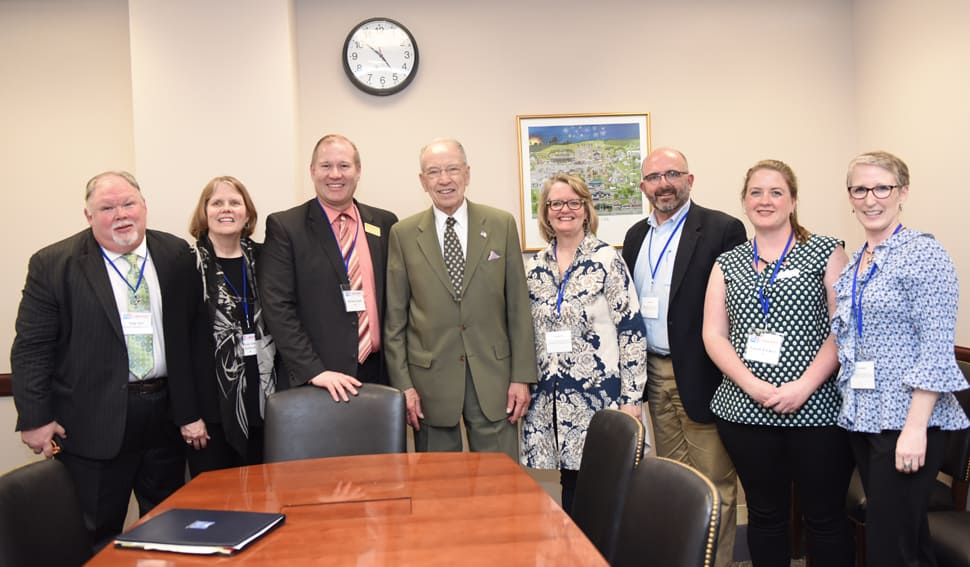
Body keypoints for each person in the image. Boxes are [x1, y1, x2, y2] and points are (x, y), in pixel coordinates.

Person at [11, 171, 206, 549]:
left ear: (144, 206)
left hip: (164, 416)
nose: (120, 214)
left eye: (128, 203)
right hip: (91, 423)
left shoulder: (175, 254)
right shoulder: (54, 264)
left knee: (169, 526)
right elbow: (32, 348)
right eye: (107, 208)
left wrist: (190, 410)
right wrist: (35, 417)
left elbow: (191, 339)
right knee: (93, 532)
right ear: (88, 216)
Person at [702, 159, 854, 566]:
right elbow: (714, 335)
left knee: (824, 517)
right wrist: (753, 386)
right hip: (745, 410)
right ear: (744, 201)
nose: (764, 200)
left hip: (819, 411)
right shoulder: (727, 263)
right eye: (756, 192)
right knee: (766, 517)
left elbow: (842, 330)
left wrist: (803, 386)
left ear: (793, 201)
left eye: (775, 192)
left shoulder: (827, 251)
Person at [832, 151, 969, 567]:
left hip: (907, 420)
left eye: (882, 188)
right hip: (866, 414)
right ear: (850, 196)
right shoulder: (860, 259)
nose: (871, 199)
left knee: (890, 549)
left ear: (903, 192)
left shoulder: (923, 255)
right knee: (902, 538)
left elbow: (936, 348)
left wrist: (914, 430)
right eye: (860, 189)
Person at [621, 147, 746, 567]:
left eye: (672, 173)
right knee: (674, 481)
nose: (663, 184)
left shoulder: (722, 229)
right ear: (643, 187)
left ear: (690, 180)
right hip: (653, 374)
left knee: (715, 483)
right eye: (654, 177)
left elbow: (736, 309)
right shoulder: (637, 235)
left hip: (702, 374)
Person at [384, 138, 537, 460]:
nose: (444, 179)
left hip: (495, 381)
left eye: (452, 169)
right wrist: (404, 387)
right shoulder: (404, 233)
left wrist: (521, 377)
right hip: (429, 386)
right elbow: (395, 320)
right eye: (434, 172)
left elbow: (518, 309)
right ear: (422, 181)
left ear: (467, 173)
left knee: (502, 486)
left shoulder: (501, 224)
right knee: (439, 492)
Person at [521, 173, 646, 514]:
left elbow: (631, 330)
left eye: (573, 202)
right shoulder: (535, 268)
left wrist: (632, 399)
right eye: (556, 203)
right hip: (552, 401)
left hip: (598, 397)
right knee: (569, 486)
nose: (565, 210)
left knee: (601, 490)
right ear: (545, 212)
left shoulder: (607, 260)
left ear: (586, 209)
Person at [260, 134, 398, 399]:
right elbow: (277, 306)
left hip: (379, 372)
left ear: (358, 171)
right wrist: (314, 371)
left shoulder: (384, 223)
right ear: (312, 171)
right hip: (319, 379)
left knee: (378, 443)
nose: (335, 174)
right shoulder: (286, 227)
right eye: (326, 166)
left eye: (344, 166)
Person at [186, 175, 279, 475]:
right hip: (211, 410)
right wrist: (189, 415)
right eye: (217, 203)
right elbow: (178, 344)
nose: (226, 209)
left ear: (247, 213)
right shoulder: (188, 264)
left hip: (264, 399)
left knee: (265, 494)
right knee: (217, 505)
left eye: (234, 202)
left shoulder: (266, 259)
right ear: (205, 212)